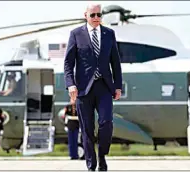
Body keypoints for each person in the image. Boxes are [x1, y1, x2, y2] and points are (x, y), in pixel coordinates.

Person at [64, 4, 122, 171]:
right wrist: (70, 84)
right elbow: (68, 63)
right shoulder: (76, 34)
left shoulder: (109, 34)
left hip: (104, 87)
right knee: (87, 129)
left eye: (99, 14)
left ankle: (102, 154)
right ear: (86, 15)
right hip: (83, 89)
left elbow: (115, 63)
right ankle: (91, 165)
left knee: (106, 123)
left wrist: (117, 86)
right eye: (93, 15)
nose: (96, 17)